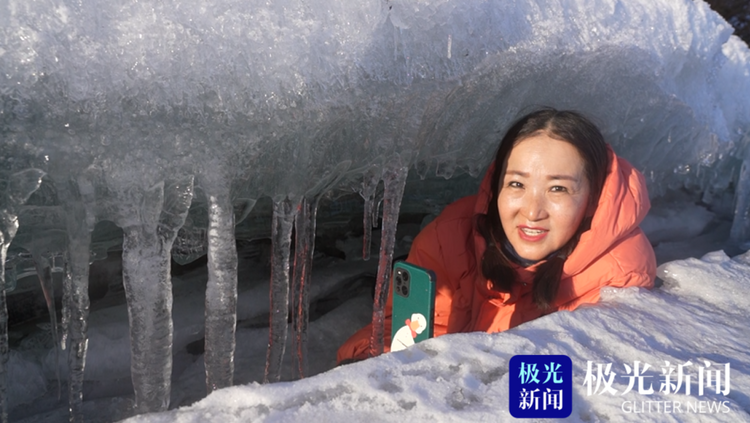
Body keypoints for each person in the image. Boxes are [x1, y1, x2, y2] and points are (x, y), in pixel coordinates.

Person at [337, 108, 656, 363]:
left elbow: (572, 395)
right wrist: (365, 370)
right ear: (497, 185)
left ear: (592, 200)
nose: (532, 211)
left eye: (557, 189)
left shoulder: (618, 277)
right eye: (517, 184)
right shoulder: (451, 238)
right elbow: (405, 334)